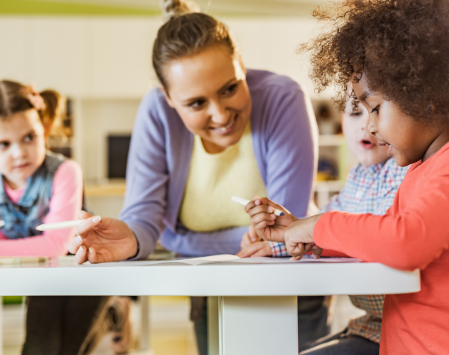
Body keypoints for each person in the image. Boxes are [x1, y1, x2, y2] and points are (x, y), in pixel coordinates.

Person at [245, 0, 449, 353]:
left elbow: (406, 242)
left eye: (375, 108)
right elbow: (382, 235)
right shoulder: (420, 170)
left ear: (427, 96)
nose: (371, 126)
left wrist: (319, 224)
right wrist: (308, 236)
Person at [67, 0, 327, 353]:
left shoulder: (282, 98)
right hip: (208, 283)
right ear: (170, 100)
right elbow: (144, 219)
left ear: (242, 67)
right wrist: (129, 237)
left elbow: (283, 232)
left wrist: (183, 243)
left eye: (230, 88)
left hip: (290, 279)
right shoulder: (156, 113)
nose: (220, 115)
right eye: (196, 103)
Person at [239, 92, 409, 354]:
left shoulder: (408, 171)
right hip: (371, 326)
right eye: (355, 113)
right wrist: (281, 238)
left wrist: (298, 234)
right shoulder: (358, 178)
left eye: (376, 110)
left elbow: (374, 234)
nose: (366, 125)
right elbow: (322, 225)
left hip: (402, 332)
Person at [0, 80, 130, 355]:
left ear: (44, 130)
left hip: (85, 266)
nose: (19, 152)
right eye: (4, 143)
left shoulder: (65, 171)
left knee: (71, 347)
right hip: (44, 273)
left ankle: (115, 313)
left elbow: (56, 244)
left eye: (29, 137)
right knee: (42, 348)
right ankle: (116, 313)